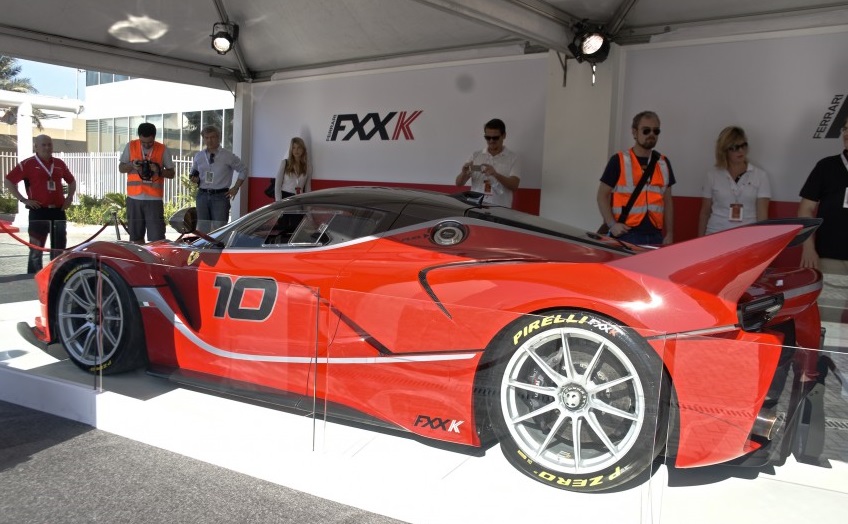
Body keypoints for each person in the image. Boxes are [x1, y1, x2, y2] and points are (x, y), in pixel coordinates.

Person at [597, 111, 676, 245]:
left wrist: (670, 233)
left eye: (656, 131)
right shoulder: (619, 160)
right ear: (634, 132)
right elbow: (602, 196)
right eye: (646, 130)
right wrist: (612, 225)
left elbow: (668, 201)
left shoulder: (663, 163)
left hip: (655, 235)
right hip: (626, 234)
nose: (651, 134)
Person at [4, 134, 76, 273]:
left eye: (49, 144)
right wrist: (23, 199)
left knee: (59, 249)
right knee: (36, 251)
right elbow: (8, 181)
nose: (47, 147)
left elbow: (72, 181)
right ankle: (32, 279)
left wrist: (70, 197)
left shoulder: (59, 164)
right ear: (36, 147)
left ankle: (56, 277)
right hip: (38, 212)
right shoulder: (28, 164)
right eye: (43, 145)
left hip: (58, 212)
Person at [698, 126, 771, 236]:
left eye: (743, 145)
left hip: (748, 235)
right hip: (715, 233)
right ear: (724, 150)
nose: (741, 150)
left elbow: (762, 216)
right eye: (735, 147)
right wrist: (700, 240)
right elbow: (705, 212)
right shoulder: (712, 175)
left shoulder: (760, 175)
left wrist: (762, 241)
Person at [798, 118, 848, 278]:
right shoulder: (826, 166)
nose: (846, 134)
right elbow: (805, 209)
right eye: (845, 129)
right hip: (829, 259)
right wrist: (808, 247)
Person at [118, 123, 175, 243]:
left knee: (157, 239)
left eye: (149, 142)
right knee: (135, 238)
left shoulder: (162, 149)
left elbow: (172, 174)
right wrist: (131, 165)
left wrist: (159, 170)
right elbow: (121, 168)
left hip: (154, 199)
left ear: (154, 137)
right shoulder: (131, 145)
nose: (146, 145)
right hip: (134, 198)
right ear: (139, 136)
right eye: (143, 142)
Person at [189, 125, 249, 232]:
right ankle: (204, 244)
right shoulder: (199, 156)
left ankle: (219, 244)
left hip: (220, 196)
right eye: (206, 137)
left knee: (219, 229)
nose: (209, 140)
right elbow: (194, 173)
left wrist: (236, 187)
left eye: (212, 137)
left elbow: (243, 169)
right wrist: (195, 179)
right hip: (202, 195)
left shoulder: (227, 156)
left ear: (218, 138)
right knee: (202, 228)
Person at [455, 118, 521, 207]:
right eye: (488, 137)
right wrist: (463, 173)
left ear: (504, 135)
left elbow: (514, 186)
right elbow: (459, 184)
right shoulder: (475, 156)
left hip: (501, 210)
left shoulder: (513, 158)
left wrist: (495, 175)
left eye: (495, 138)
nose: (491, 141)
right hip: (476, 208)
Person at [273, 137, 312, 201]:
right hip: (285, 197)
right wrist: (278, 202)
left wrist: (308, 202)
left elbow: (308, 187)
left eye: (299, 147)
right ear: (291, 149)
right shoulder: (285, 163)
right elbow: (277, 185)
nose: (296, 150)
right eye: (294, 148)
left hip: (300, 198)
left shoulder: (308, 166)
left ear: (303, 149)